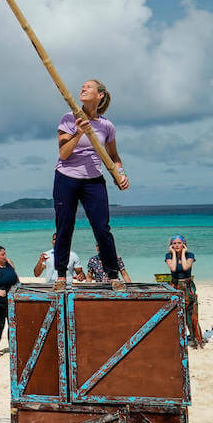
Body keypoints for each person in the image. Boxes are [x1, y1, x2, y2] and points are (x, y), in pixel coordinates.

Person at [53, 79, 129, 292]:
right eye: (82, 86)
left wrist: (120, 175)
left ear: (100, 95)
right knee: (65, 226)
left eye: (88, 87)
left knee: (102, 227)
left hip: (94, 180)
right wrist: (79, 133)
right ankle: (61, 276)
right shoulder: (69, 118)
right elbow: (64, 154)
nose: (83, 88)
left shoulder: (107, 126)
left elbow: (113, 156)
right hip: (66, 177)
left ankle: (113, 275)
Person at [165, 235, 204, 349]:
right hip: (175, 286)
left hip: (188, 287)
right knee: (176, 315)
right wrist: (173, 254)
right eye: (174, 243)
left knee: (192, 316)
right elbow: (173, 268)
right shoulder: (169, 256)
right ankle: (178, 340)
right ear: (171, 245)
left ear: (184, 244)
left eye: (179, 243)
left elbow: (186, 267)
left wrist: (183, 253)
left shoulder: (190, 255)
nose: (177, 245)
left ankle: (196, 340)